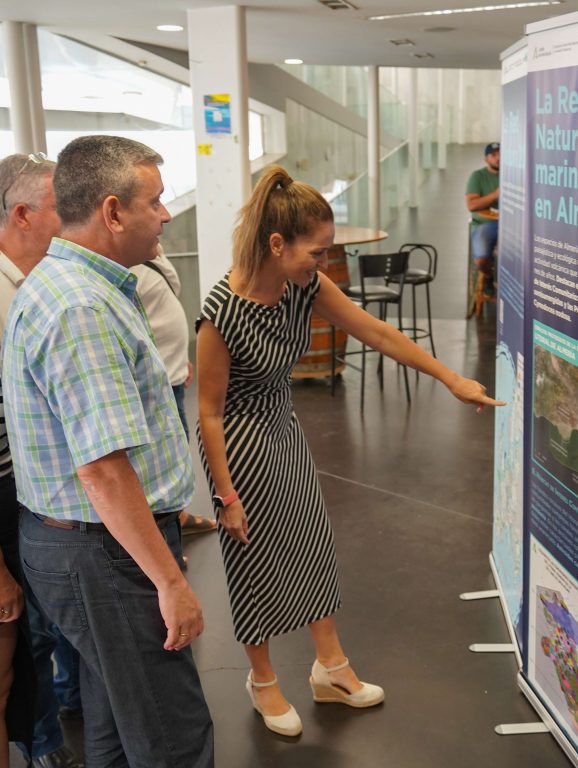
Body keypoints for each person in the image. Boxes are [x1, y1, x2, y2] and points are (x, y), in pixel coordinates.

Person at [196, 165, 502, 738]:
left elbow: (376, 332)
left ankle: (330, 668)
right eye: (318, 250)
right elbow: (208, 412)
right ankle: (261, 679)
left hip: (281, 426)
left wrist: (449, 378)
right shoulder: (221, 311)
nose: (324, 260)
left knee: (311, 541)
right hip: (237, 440)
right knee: (253, 556)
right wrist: (225, 493)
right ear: (277, 243)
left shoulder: (303, 284)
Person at [3, 135, 213, 768]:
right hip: (106, 552)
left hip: (88, 545)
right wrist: (170, 581)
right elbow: (102, 469)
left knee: (118, 728)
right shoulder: (82, 306)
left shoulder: (62, 284)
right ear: (113, 211)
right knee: (172, 737)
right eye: (156, 200)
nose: (169, 213)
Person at [0, 153, 83, 768]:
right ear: (24, 215)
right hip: (6, 501)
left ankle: (45, 741)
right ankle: (38, 748)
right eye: (64, 206)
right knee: (21, 643)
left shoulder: (35, 286)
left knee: (39, 636)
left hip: (27, 498)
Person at [131, 248, 215, 540]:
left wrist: (180, 357)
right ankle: (161, 538)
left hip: (173, 369)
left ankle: (176, 517)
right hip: (156, 379)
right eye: (154, 204)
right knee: (159, 460)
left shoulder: (152, 250)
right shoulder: (120, 261)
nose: (164, 215)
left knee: (177, 448)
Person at [466, 142, 500, 288]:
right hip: (485, 224)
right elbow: (472, 205)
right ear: (486, 158)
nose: (498, 158)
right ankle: (489, 276)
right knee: (481, 260)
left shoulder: (514, 175)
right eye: (493, 155)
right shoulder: (478, 176)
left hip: (510, 225)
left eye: (501, 155)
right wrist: (495, 195)